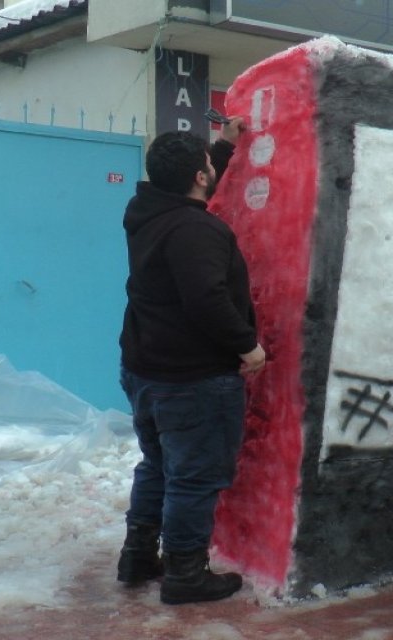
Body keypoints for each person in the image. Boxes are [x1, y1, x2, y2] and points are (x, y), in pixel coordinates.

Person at [116, 120, 267, 605]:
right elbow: (206, 300)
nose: (211, 168)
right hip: (193, 378)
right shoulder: (199, 230)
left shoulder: (146, 210)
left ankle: (138, 556)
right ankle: (185, 573)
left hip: (145, 369)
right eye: (208, 163)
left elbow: (189, 193)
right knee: (194, 477)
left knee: (157, 465)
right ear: (199, 177)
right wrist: (247, 346)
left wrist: (223, 148)